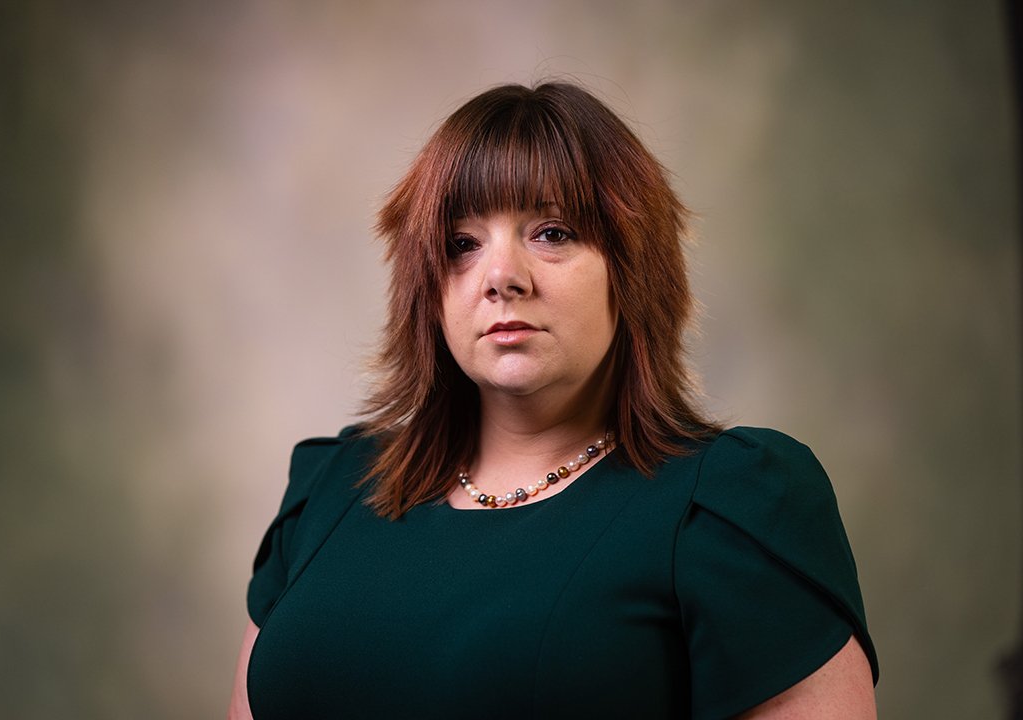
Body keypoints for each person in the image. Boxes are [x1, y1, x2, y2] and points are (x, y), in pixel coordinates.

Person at [227, 82, 878, 719]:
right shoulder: (329, 491)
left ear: (633, 266)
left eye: (553, 232)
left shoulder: (735, 508)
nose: (501, 277)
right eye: (461, 243)